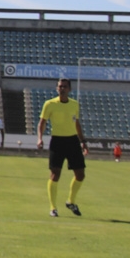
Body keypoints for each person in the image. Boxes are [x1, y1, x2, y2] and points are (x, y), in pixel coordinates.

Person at [37, 78, 88, 218]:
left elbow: (76, 123)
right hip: (57, 141)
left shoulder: (74, 104)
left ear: (69, 89)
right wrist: (40, 138)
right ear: (56, 88)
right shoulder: (50, 104)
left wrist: (83, 140)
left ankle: (71, 201)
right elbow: (42, 122)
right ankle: (53, 207)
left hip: (72, 141)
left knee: (80, 174)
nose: (62, 88)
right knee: (55, 174)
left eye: (65, 86)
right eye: (60, 86)